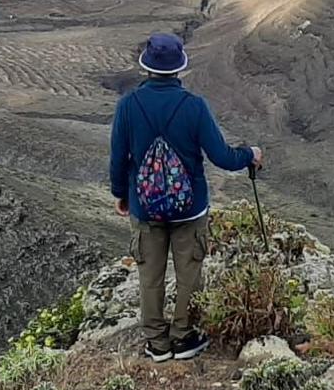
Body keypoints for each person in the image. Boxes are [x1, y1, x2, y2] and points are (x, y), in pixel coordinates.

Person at [109, 33, 264, 362]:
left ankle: (157, 343)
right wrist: (249, 154)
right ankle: (183, 337)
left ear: (146, 67)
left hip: (145, 207)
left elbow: (117, 158)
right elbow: (221, 157)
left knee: (150, 276)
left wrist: (122, 195)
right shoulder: (194, 107)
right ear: (180, 68)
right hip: (189, 210)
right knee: (188, 274)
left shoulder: (128, 106)